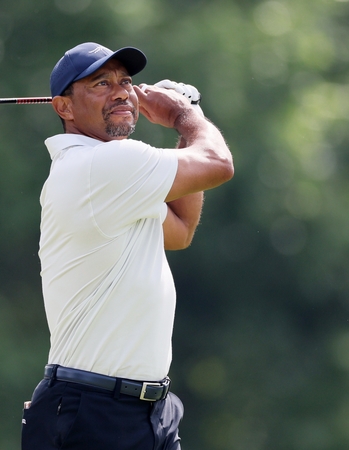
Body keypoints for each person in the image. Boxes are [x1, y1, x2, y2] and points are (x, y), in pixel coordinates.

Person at [21, 42, 233, 450]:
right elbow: (218, 164)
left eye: (125, 82)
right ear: (64, 107)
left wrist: (184, 125)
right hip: (94, 411)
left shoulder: (114, 176)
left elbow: (181, 229)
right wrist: (183, 115)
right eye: (101, 84)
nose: (121, 92)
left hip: (146, 412)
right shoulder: (102, 165)